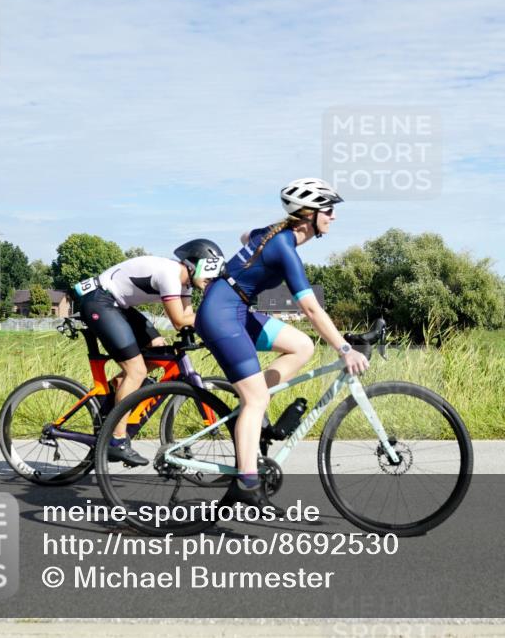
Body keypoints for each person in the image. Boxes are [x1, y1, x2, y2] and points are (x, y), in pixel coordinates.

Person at [195, 178, 369, 508]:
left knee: (302, 345)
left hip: (234, 307)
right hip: (221, 315)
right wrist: (344, 349)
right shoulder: (284, 248)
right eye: (329, 210)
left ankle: (249, 412)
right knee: (256, 398)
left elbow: (245, 237)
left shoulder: (273, 234)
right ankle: (246, 480)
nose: (333, 216)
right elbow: (310, 308)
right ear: (309, 214)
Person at [74, 239, 225, 466]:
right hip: (99, 301)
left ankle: (115, 394)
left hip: (116, 304)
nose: (211, 279)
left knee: (158, 347)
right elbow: (179, 320)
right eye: (209, 272)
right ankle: (116, 440)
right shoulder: (170, 275)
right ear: (194, 265)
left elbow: (188, 322)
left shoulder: (184, 284)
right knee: (136, 371)